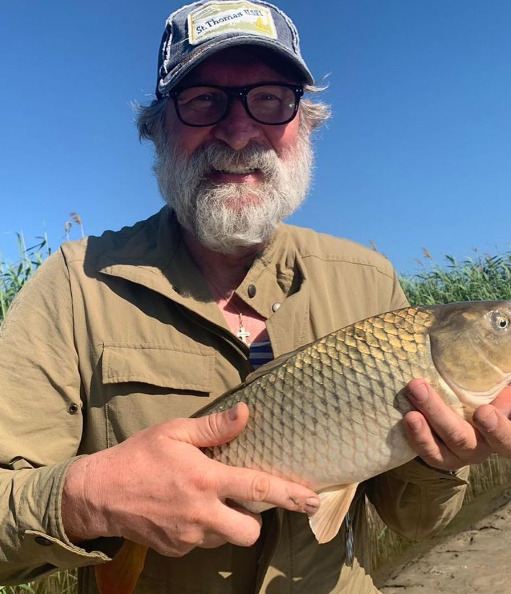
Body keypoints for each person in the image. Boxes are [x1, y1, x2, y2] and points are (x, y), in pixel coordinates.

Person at [1, 1, 509, 592]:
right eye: (202, 101)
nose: (238, 131)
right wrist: (84, 500)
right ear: (156, 127)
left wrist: (440, 461)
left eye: (269, 99)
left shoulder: (370, 281)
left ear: (306, 122)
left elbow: (416, 521)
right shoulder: (73, 284)